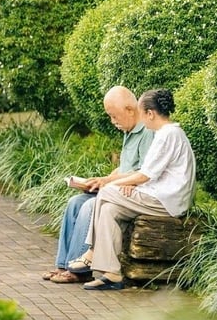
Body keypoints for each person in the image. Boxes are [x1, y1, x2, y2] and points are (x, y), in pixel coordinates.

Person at [69, 88, 196, 291]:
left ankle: (92, 250)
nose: (141, 120)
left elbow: (145, 175)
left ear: (150, 113)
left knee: (107, 192)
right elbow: (149, 174)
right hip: (157, 196)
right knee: (111, 210)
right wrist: (129, 184)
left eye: (141, 113)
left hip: (167, 202)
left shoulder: (168, 135)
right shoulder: (167, 133)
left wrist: (114, 183)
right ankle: (112, 273)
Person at [44, 86, 154, 284]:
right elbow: (124, 168)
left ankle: (78, 270)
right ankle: (64, 264)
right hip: (117, 188)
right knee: (75, 202)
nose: (113, 122)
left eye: (114, 116)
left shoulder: (147, 132)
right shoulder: (129, 130)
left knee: (89, 206)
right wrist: (98, 181)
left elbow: (144, 172)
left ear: (130, 109)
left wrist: (108, 182)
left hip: (131, 195)